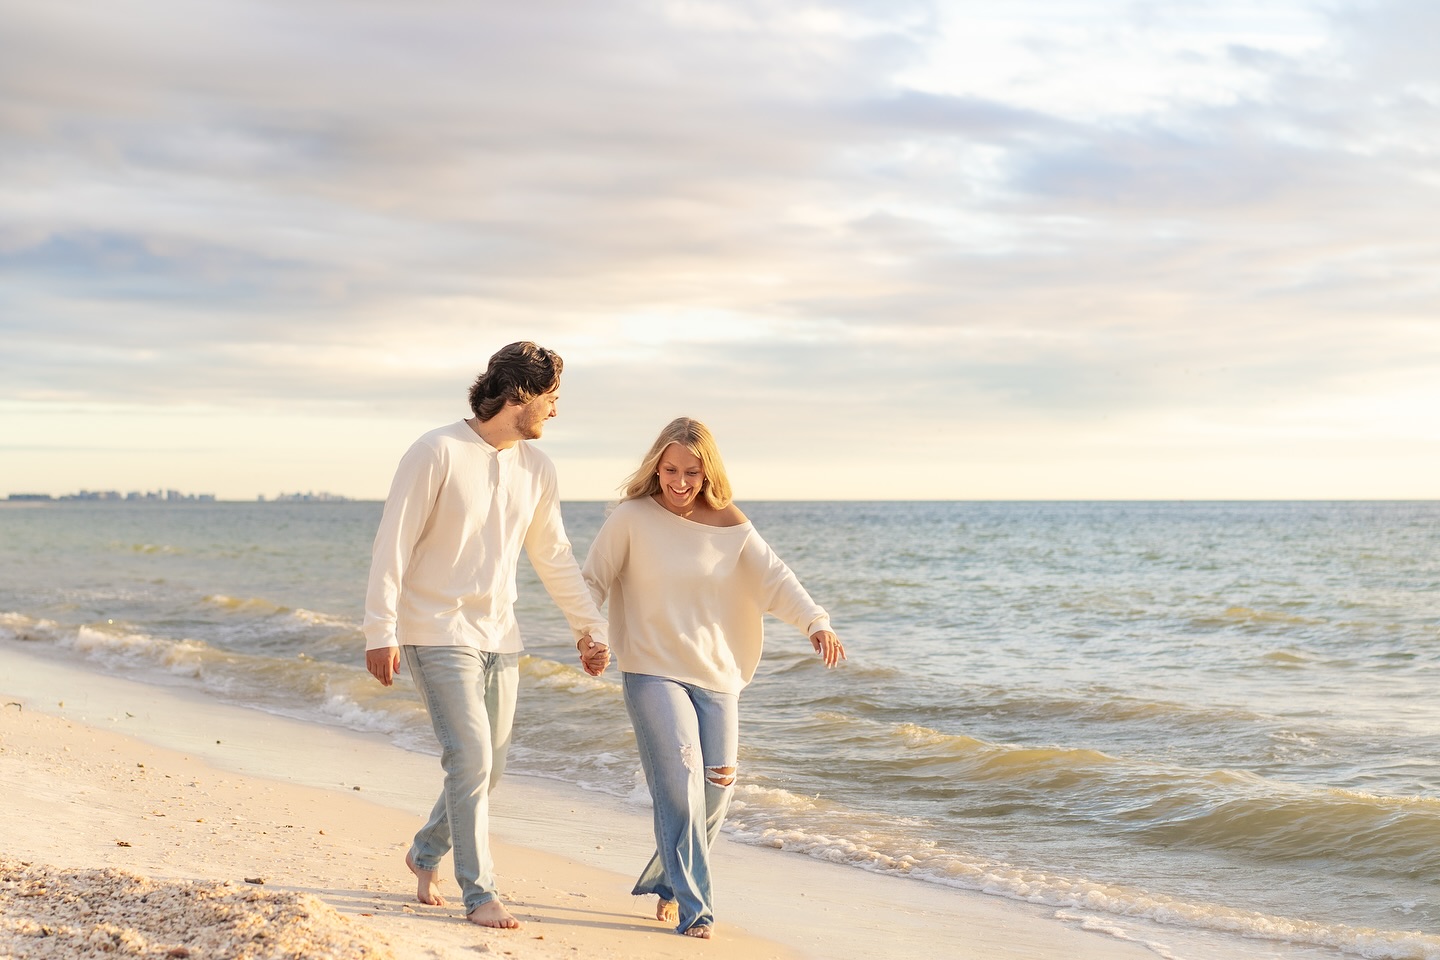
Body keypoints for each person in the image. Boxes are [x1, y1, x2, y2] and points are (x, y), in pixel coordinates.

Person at [362, 341, 610, 930]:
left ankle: (424, 853)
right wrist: (380, 629)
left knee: (488, 768)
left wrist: (588, 628)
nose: (556, 410)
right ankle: (480, 893)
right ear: (519, 394)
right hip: (434, 628)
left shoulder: (537, 468)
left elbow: (554, 555)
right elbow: (392, 543)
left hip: (501, 635)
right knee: (469, 757)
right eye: (551, 398)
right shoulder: (436, 451)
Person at [581, 416, 845, 940]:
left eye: (692, 473)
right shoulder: (631, 517)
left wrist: (816, 622)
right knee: (681, 784)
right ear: (657, 466)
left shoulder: (729, 523)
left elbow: (776, 578)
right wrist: (589, 636)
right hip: (652, 670)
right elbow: (591, 581)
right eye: (671, 470)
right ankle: (695, 909)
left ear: (708, 473)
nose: (680, 482)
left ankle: (667, 878)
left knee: (717, 789)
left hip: (717, 674)